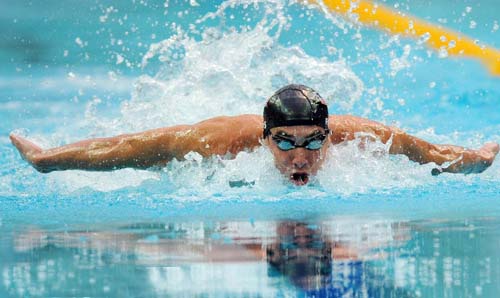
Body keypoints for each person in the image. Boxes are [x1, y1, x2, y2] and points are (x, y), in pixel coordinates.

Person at [10, 84, 499, 186]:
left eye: (312, 142)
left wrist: (480, 157)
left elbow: (433, 153)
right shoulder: (223, 141)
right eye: (284, 142)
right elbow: (133, 148)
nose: (299, 156)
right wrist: (50, 159)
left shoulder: (361, 137)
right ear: (265, 139)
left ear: (329, 137)